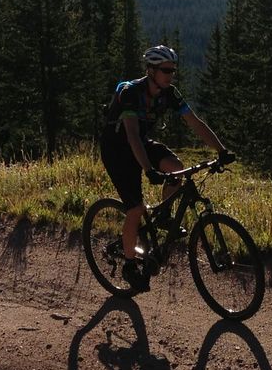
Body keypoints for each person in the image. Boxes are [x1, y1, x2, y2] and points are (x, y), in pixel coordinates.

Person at [100, 45, 233, 292]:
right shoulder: (131, 93)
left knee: (176, 168)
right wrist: (148, 169)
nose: (171, 74)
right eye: (165, 70)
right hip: (117, 149)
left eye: (173, 70)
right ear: (151, 71)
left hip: (140, 142)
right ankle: (129, 266)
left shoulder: (169, 93)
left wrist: (221, 151)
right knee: (136, 209)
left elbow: (195, 122)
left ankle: (162, 217)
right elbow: (131, 134)